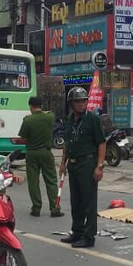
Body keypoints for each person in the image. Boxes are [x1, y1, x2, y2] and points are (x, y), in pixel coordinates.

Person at [58, 87, 106, 248]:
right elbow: (67, 143)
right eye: (77, 101)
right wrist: (62, 163)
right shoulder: (70, 119)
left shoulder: (93, 120)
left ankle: (89, 236)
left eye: (83, 100)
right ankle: (77, 232)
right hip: (73, 164)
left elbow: (101, 143)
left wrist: (99, 167)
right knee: (76, 200)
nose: (80, 104)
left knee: (89, 202)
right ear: (71, 104)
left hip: (88, 163)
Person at [19, 97, 63, 218]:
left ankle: (36, 208)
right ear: (41, 105)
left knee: (33, 181)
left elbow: (23, 137)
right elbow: (49, 112)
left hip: (32, 153)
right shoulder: (50, 117)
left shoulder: (27, 120)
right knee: (51, 180)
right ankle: (54, 208)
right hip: (46, 153)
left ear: (30, 106)